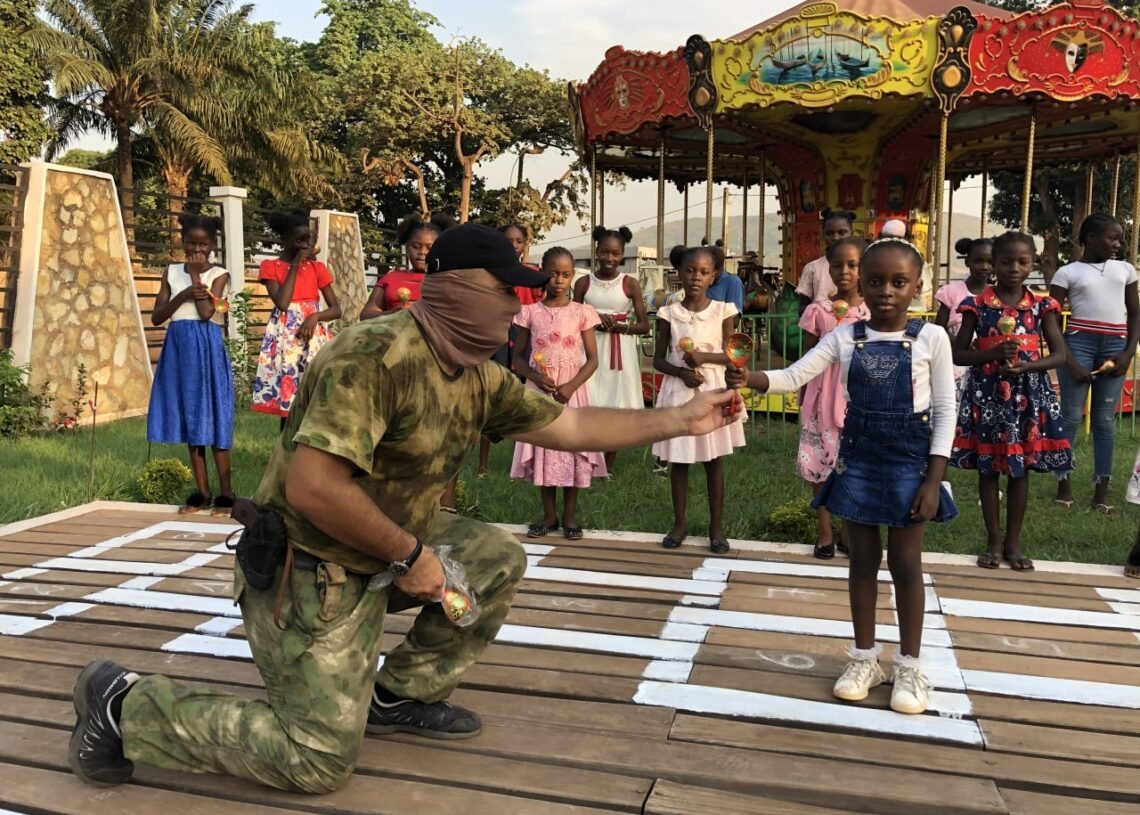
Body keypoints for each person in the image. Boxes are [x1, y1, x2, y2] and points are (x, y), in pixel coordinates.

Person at [68, 223, 744, 794]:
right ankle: (124, 704)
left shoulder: (477, 373)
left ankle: (397, 696)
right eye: (507, 290)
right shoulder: (375, 356)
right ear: (458, 290)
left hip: (385, 550)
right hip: (310, 572)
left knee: (495, 558)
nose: (518, 304)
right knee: (316, 758)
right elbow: (312, 487)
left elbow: (569, 426)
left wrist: (682, 418)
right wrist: (413, 556)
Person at [729, 238, 957, 715]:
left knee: (906, 564)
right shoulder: (845, 337)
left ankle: (910, 666)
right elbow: (794, 375)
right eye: (876, 281)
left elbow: (944, 410)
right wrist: (748, 378)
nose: (886, 291)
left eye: (899, 282)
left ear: (917, 286)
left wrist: (934, 479)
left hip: (910, 463)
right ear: (859, 286)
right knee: (862, 561)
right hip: (859, 458)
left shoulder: (932, 337)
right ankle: (864, 660)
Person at [949, 232, 1072, 572]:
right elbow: (958, 354)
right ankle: (993, 540)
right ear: (993, 264)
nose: (1014, 268)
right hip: (987, 395)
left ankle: (1013, 543)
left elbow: (1059, 355)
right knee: (988, 468)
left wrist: (1027, 366)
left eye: (1022, 262)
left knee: (1020, 470)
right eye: (1006, 262)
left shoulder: (1042, 306)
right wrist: (990, 354)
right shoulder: (976, 305)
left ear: (1032, 264)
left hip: (1027, 396)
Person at [653, 247, 746, 554]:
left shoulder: (723, 311)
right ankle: (679, 524)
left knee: (713, 460)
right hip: (680, 392)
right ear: (679, 274)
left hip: (712, 390)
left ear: (713, 277)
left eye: (704, 272)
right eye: (690, 271)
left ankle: (716, 528)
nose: (696, 277)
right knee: (679, 460)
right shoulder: (669, 313)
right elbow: (658, 360)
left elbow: (732, 355)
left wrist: (704, 358)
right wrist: (681, 372)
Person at [511, 247, 606, 539]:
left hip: (572, 391)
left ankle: (570, 517)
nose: (559, 280)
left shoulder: (582, 312)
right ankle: (549, 516)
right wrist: (535, 376)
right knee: (545, 448)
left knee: (572, 449)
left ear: (573, 276)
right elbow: (517, 359)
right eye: (553, 274)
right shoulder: (529, 312)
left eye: (565, 275)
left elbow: (593, 360)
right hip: (540, 391)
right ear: (542, 272)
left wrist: (571, 386)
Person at [146, 213, 235, 517]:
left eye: (204, 244)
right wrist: (183, 292)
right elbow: (157, 316)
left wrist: (197, 278)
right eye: (191, 244)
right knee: (191, 419)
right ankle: (202, 493)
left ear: (212, 245)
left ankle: (226, 494)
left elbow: (208, 313)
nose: (197, 250)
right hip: (180, 348)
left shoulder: (219, 274)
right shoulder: (171, 272)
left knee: (213, 417)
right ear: (183, 242)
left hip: (206, 347)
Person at [1051, 213, 1140, 513]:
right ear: (1090, 238)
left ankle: (1102, 489)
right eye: (1112, 238)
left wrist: (1128, 352)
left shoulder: (1125, 270)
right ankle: (1063, 483)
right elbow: (1050, 320)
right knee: (1070, 416)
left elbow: (1135, 313)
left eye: (1119, 239)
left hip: (1116, 345)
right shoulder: (1067, 272)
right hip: (1079, 343)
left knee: (1104, 420)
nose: (1118, 244)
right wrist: (1069, 360)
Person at [797, 237, 870, 559]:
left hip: (858, 398)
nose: (844, 271)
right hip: (823, 397)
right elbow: (805, 357)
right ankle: (824, 531)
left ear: (864, 268)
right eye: (837, 265)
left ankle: (849, 530)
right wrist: (803, 394)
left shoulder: (871, 313)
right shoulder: (819, 311)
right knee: (821, 463)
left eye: (852, 265)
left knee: (854, 465)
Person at [251, 209, 342, 428]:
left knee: (313, 392)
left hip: (313, 336)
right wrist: (295, 265)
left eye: (307, 240)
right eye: (298, 240)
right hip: (286, 338)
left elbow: (336, 309)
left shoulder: (317, 268)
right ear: (284, 240)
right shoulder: (270, 267)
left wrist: (315, 316)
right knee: (289, 397)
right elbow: (282, 303)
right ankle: (286, 443)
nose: (304, 245)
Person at [574, 225, 650, 472]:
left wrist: (619, 327)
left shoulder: (630, 284)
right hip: (590, 348)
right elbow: (572, 317)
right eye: (605, 252)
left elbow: (644, 325)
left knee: (616, 403)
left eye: (615, 253)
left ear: (622, 255)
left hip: (620, 352)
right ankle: (587, 458)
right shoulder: (584, 283)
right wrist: (594, 319)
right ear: (597, 252)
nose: (609, 258)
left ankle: (607, 465)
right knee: (589, 400)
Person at [477, 223, 544, 478]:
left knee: (522, 398)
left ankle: (520, 464)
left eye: (519, 241)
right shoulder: (487, 273)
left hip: (524, 340)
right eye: (508, 240)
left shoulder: (532, 274)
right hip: (496, 338)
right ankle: (482, 466)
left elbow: (541, 307)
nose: (514, 245)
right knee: (491, 397)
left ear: (525, 244)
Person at [360, 213, 455, 320]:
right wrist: (393, 313)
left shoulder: (449, 280)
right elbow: (366, 315)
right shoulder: (390, 279)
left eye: (430, 248)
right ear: (407, 247)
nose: (422, 252)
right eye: (416, 246)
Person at [935, 237, 993, 393]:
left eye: (990, 262)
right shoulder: (951, 291)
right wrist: (961, 343)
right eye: (978, 261)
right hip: (954, 357)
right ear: (967, 262)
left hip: (985, 358)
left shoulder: (995, 295)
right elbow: (939, 328)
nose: (984, 267)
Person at [796, 209, 855, 314]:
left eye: (842, 232)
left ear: (852, 233)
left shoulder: (861, 266)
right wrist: (822, 313)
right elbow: (802, 308)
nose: (835, 238)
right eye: (829, 233)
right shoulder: (813, 268)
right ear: (823, 235)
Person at [707, 245, 746, 315]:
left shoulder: (733, 282)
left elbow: (734, 317)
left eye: (706, 272)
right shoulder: (701, 283)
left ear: (717, 270)